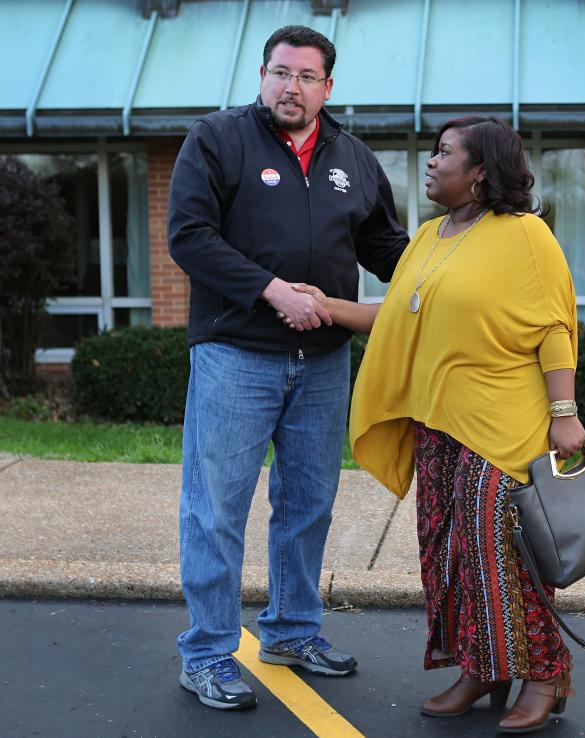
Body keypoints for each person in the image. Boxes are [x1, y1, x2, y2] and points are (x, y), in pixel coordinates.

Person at [286, 117, 585, 734]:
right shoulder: (428, 237)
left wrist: (565, 415)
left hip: (502, 427)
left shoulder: (525, 235)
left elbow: (553, 327)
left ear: (481, 171)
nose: (430, 162)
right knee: (447, 556)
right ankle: (484, 668)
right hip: (438, 427)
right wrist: (325, 305)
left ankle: (546, 674)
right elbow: (396, 315)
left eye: (444, 153)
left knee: (502, 555)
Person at [166, 25, 408, 710]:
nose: (290, 87)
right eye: (279, 72)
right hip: (235, 357)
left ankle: (292, 632)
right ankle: (209, 653)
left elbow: (386, 246)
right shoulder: (217, 140)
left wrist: (453, 266)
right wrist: (270, 290)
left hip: (325, 365)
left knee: (307, 507)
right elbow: (189, 236)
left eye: (305, 77)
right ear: (262, 75)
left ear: (328, 88)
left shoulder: (353, 158)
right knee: (215, 511)